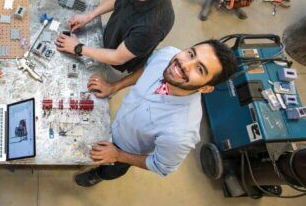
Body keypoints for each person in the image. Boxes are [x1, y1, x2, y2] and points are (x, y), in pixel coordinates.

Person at [74, 40, 238, 186]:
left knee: (110, 170)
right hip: (118, 123)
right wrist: (114, 86)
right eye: (190, 54)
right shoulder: (167, 55)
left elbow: (159, 166)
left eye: (200, 69)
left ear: (205, 88)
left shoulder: (180, 133)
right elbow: (146, 69)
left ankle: (98, 175)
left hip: (126, 149)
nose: (183, 65)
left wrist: (117, 155)